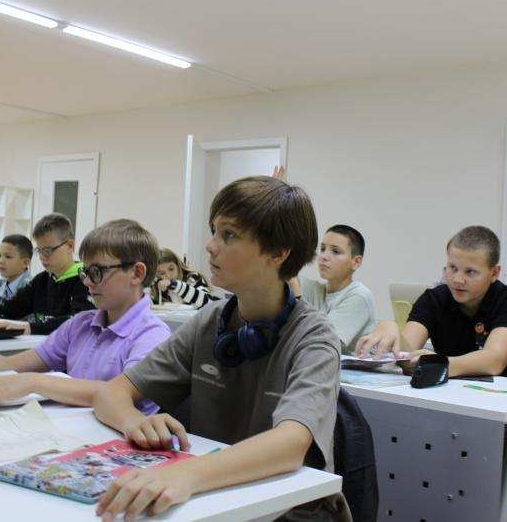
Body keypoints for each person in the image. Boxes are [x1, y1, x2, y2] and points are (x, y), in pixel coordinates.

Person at [91, 175, 349, 520]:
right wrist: (134, 422)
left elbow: (290, 444)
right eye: (214, 231)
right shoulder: (211, 321)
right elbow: (111, 394)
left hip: (287, 511)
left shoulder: (314, 337)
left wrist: (186, 474)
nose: (210, 246)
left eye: (229, 235)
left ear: (278, 252)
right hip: (215, 499)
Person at [0, 219, 170, 409]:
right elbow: (6, 366)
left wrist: (35, 381)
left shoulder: (152, 335)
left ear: (137, 273)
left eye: (97, 272)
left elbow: (118, 395)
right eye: (86, 271)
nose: (87, 281)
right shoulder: (82, 325)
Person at [357, 225, 507, 379]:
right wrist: (390, 331)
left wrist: (436, 363)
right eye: (452, 268)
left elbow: (493, 361)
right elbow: (407, 353)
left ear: (494, 273)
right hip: (448, 393)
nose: (457, 279)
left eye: (470, 272)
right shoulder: (434, 298)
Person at [0, 213, 92, 335]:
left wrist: (28, 327)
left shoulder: (87, 280)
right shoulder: (42, 280)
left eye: (48, 251)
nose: (42, 257)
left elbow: (78, 321)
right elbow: (9, 309)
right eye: (39, 251)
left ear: (70, 246)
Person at [291, 225, 376, 353]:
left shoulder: (360, 295)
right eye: (322, 249)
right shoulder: (315, 289)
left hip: (350, 366)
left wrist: (297, 296)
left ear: (356, 262)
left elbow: (322, 342)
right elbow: (285, 279)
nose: (324, 257)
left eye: (335, 251)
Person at [152, 248, 218, 308]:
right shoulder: (159, 287)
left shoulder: (194, 278)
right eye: (162, 273)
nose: (168, 275)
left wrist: (174, 285)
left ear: (178, 266)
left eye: (171, 269)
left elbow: (208, 303)